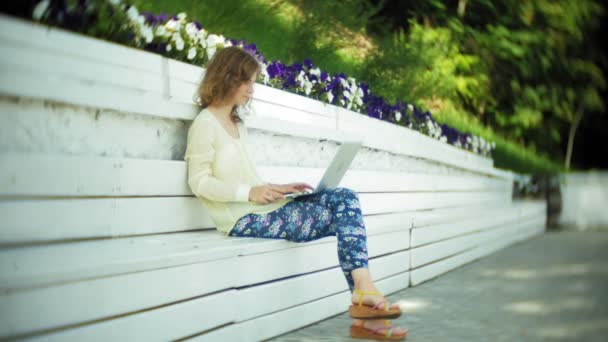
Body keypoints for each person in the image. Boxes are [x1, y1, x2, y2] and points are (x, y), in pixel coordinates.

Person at [184, 46, 408, 341]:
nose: (252, 90)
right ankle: (366, 308)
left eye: (253, 82)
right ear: (227, 77)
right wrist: (250, 192)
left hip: (263, 209)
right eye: (247, 82)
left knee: (345, 198)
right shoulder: (205, 124)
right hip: (241, 219)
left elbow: (248, 179)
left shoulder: (237, 124)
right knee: (346, 219)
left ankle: (366, 307)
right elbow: (198, 182)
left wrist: (278, 189)